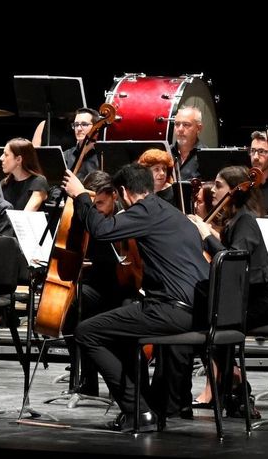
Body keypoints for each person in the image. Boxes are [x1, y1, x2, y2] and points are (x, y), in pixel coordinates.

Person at [64, 163, 209, 430]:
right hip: (199, 309)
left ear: (122, 192)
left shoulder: (144, 211)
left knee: (86, 331)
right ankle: (146, 406)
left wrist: (82, 196)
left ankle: (139, 412)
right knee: (120, 331)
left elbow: (103, 230)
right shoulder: (173, 213)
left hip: (171, 310)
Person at [186, 165, 268, 417]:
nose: (213, 190)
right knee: (205, 317)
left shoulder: (246, 220)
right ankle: (234, 388)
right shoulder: (236, 219)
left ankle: (239, 388)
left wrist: (205, 234)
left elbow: (233, 260)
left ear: (234, 190)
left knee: (216, 324)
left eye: (219, 185)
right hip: (255, 295)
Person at [63, 169, 142, 398]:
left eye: (101, 203)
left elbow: (134, 267)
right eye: (92, 203)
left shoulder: (125, 219)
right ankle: (87, 378)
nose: (96, 208)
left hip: (124, 286)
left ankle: (124, 382)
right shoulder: (84, 212)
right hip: (96, 283)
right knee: (71, 311)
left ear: (114, 197)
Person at [0, 138, 48, 212]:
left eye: (6, 155)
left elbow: (26, 215)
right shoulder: (4, 184)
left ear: (18, 159)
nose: (1, 158)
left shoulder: (39, 182)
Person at [171, 106, 205, 180]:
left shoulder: (207, 156)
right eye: (177, 124)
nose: (180, 129)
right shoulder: (165, 153)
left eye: (186, 124)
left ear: (198, 128)